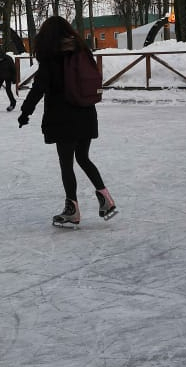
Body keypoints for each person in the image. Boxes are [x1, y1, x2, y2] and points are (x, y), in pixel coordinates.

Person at [17, 15, 116, 226]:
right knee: (83, 157)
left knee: (66, 163)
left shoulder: (51, 57)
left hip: (63, 117)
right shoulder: (81, 50)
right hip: (86, 113)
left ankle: (72, 209)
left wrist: (25, 112)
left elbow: (39, 88)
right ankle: (105, 197)